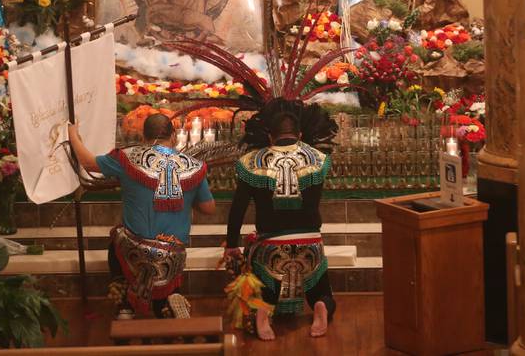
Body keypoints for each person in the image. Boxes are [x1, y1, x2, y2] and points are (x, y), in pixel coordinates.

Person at [68, 113, 215, 318]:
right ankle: (170, 300)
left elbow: (88, 163)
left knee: (116, 238)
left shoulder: (126, 158)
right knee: (167, 272)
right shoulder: (194, 166)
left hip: (134, 250)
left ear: (143, 136)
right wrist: (188, 198)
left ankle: (125, 305)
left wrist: (73, 134)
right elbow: (209, 208)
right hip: (173, 253)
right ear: (173, 136)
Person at [224, 109, 336, 341]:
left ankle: (263, 311)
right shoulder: (318, 159)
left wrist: (231, 245)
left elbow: (237, 209)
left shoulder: (251, 162)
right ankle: (320, 306)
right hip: (310, 243)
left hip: (270, 245)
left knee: (264, 289)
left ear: (270, 137)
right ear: (300, 134)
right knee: (322, 291)